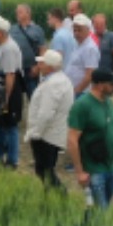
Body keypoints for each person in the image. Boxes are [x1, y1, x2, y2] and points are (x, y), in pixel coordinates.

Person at [67, 69, 113, 211]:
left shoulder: (109, 103)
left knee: (102, 211)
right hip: (94, 171)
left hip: (111, 168)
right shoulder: (83, 105)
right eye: (112, 84)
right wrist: (80, 172)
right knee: (99, 214)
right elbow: (72, 140)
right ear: (100, 85)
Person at [25, 50, 74, 188]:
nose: (39, 65)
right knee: (45, 170)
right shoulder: (60, 80)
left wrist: (36, 133)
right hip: (51, 133)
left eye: (42, 63)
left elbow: (46, 113)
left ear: (50, 67)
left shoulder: (53, 84)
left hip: (47, 135)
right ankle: (51, 199)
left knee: (44, 171)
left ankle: (59, 197)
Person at [0, 14, 23, 169]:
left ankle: (12, 160)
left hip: (9, 89)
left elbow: (10, 74)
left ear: (1, 32)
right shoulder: (1, 46)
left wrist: (6, 99)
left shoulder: (9, 48)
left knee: (10, 125)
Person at [9, 4, 45, 98]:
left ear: (28, 14)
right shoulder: (12, 29)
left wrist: (38, 67)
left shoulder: (37, 30)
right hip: (16, 69)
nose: (17, 14)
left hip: (31, 69)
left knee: (34, 97)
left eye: (20, 12)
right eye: (16, 12)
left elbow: (42, 50)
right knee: (15, 98)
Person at [65, 14, 100, 96]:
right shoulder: (77, 45)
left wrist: (77, 91)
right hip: (72, 90)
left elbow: (90, 74)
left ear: (88, 30)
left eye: (79, 30)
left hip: (82, 92)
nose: (76, 33)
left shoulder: (90, 48)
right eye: (74, 30)